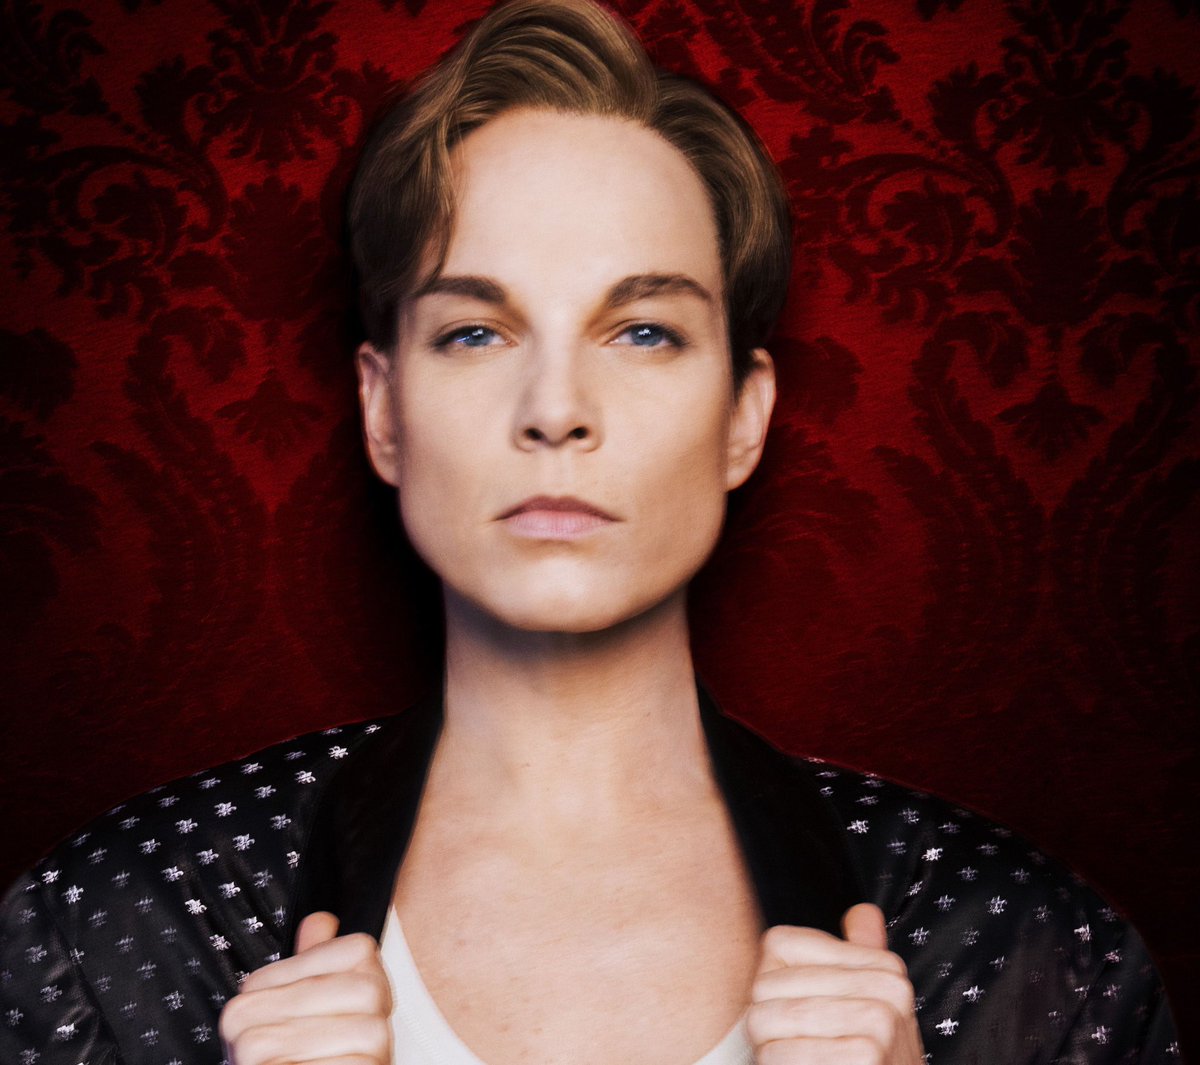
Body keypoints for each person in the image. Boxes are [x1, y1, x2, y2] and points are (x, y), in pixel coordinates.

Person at [0, 1, 1179, 1062]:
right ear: (382, 409)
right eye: (475, 332)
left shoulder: (1032, 951)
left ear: (743, 417)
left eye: (644, 331)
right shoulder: (113, 926)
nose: (556, 408)